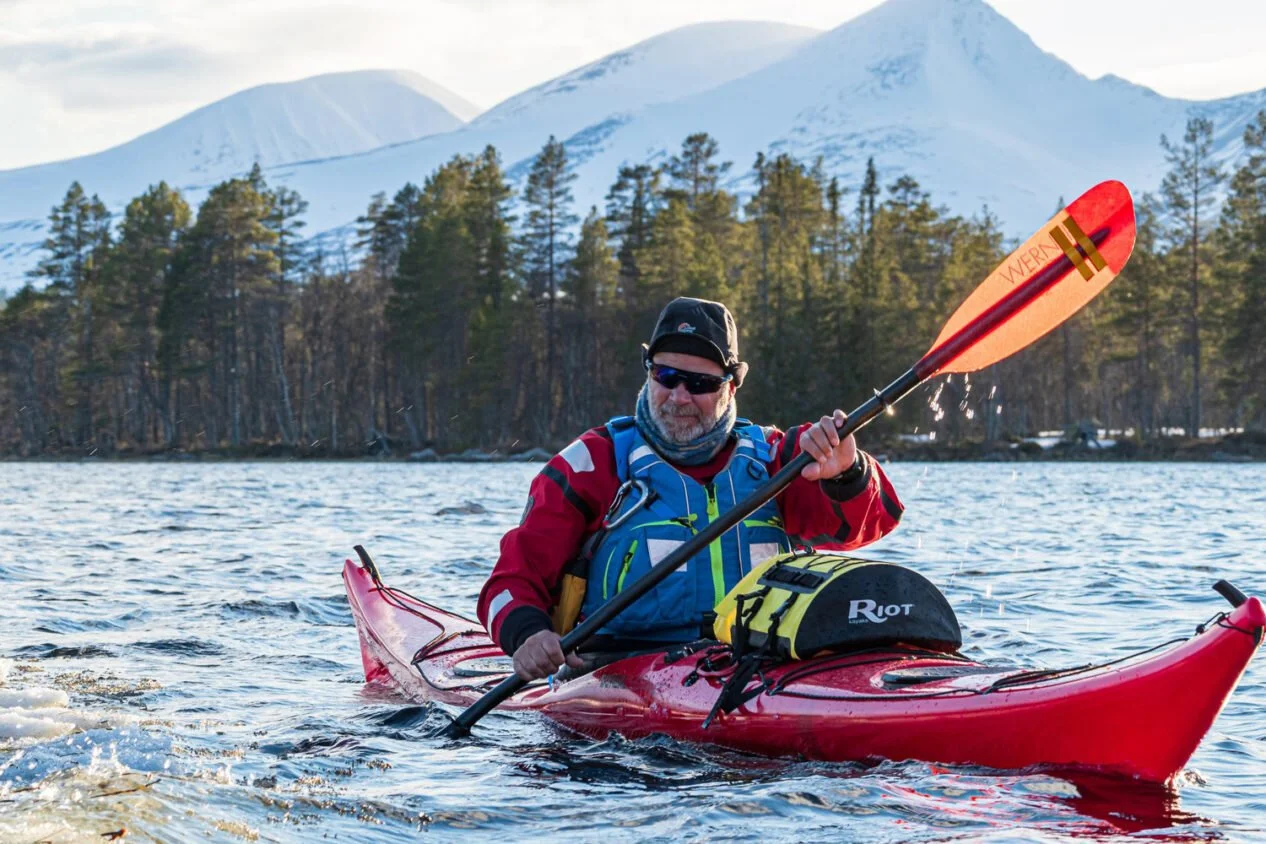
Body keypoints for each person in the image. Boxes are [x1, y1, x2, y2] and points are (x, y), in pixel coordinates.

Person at [478, 297, 904, 681]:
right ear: (648, 374)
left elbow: (869, 523)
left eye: (700, 384)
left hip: (757, 668)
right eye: (666, 376)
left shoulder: (781, 458)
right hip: (618, 675)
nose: (679, 396)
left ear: (731, 386)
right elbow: (509, 582)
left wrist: (846, 470)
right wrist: (527, 634)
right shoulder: (592, 464)